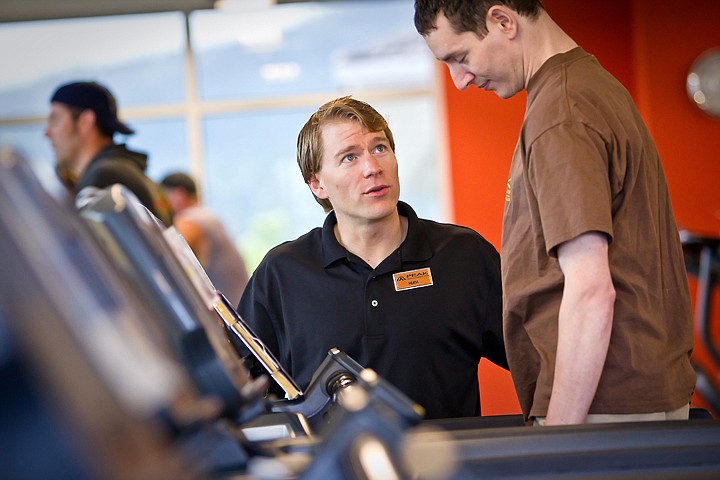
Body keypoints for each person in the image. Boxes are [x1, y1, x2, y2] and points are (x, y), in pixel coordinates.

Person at [414, 0, 696, 425]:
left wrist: (560, 439)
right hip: (625, 395)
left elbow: (590, 290)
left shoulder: (560, 114)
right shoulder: (586, 86)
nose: (459, 80)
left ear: (502, 21)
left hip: (603, 404)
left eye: (461, 57)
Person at [237, 96, 507, 419]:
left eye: (380, 148)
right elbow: (240, 393)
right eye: (349, 157)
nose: (372, 167)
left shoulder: (464, 256)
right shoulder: (282, 274)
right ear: (317, 184)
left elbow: (542, 354)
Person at [45, 80, 173, 226]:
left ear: (85, 122)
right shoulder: (127, 171)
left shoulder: (104, 178)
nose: (47, 133)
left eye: (55, 120)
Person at [160, 171, 250, 306]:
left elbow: (166, 259)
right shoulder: (208, 216)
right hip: (239, 309)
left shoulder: (190, 220)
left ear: (179, 195)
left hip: (230, 313)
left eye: (164, 198)